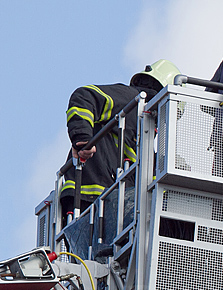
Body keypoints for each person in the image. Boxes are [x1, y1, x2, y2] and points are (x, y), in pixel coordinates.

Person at [60, 59, 181, 228]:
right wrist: (83, 139)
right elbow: (85, 96)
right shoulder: (133, 100)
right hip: (93, 197)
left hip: (104, 205)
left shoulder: (144, 137)